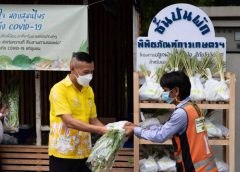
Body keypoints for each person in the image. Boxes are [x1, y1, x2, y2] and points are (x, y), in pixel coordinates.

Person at [124, 71, 218, 172]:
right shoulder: (193, 107)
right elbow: (166, 128)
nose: (163, 94)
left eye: (165, 90)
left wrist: (135, 130)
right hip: (205, 166)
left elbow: (161, 135)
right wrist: (139, 128)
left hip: (195, 168)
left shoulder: (182, 113)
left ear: (176, 91)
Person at [48, 52, 108, 172]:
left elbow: (93, 119)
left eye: (92, 72)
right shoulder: (59, 89)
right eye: (86, 72)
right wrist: (101, 130)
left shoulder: (89, 90)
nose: (90, 76)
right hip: (63, 154)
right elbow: (68, 121)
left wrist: (111, 133)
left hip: (85, 153)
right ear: (72, 69)